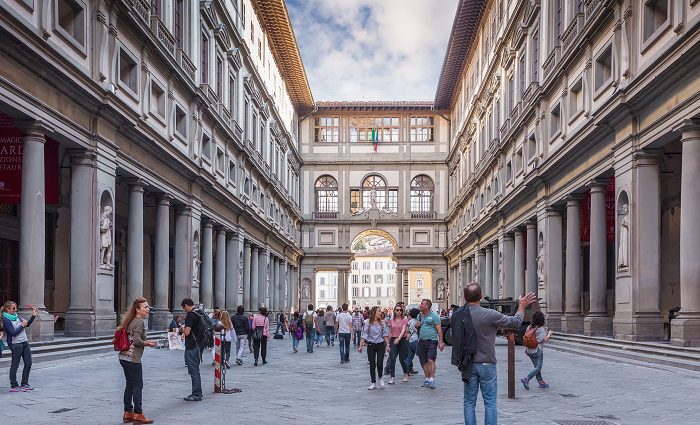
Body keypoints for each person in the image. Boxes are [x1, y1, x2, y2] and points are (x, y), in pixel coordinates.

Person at [461, 283, 537, 425]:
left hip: (468, 364)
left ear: (465, 297)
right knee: (490, 402)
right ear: (481, 296)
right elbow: (514, 323)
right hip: (487, 363)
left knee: (469, 403)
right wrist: (521, 306)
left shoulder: (459, 315)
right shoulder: (489, 314)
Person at [117, 297, 157, 424]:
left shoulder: (130, 320)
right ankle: (138, 414)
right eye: (145, 307)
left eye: (147, 306)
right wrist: (149, 343)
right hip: (132, 358)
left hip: (123, 356)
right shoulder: (139, 322)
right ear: (138, 310)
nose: (147, 309)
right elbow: (136, 341)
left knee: (130, 384)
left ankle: (128, 412)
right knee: (138, 385)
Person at [2, 301, 38, 392]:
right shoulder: (6, 319)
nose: (16, 310)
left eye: (16, 308)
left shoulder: (16, 316)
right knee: (15, 365)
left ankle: (24, 383)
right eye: (14, 308)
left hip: (24, 342)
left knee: (28, 363)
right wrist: (22, 325)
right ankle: (14, 385)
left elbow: (27, 324)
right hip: (15, 344)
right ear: (7, 309)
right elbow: (13, 333)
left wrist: (33, 316)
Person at [358, 306, 389, 390]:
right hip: (371, 345)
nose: (380, 313)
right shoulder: (367, 322)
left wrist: (388, 345)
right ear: (374, 313)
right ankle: (373, 382)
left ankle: (380, 378)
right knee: (372, 364)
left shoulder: (383, 323)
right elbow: (364, 334)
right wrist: (361, 345)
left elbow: (385, 334)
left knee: (379, 363)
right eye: (379, 311)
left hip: (380, 345)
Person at [415, 298, 444, 389]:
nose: (420, 305)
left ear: (427, 306)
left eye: (422, 304)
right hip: (421, 340)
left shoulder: (434, 316)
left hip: (432, 340)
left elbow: (439, 330)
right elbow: (417, 327)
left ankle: (432, 379)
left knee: (431, 360)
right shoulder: (419, 316)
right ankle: (427, 379)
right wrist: (416, 325)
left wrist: (441, 342)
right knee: (423, 361)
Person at [521, 311, 553, 390]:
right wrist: (549, 334)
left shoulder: (529, 327)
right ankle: (527, 379)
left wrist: (525, 348)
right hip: (537, 350)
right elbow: (544, 339)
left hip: (529, 350)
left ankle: (541, 382)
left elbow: (526, 337)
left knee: (536, 367)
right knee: (538, 367)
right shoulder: (540, 329)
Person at [181, 298, 203, 401]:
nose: (184, 310)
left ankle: (196, 394)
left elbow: (187, 332)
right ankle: (198, 392)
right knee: (196, 370)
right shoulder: (198, 313)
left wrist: (182, 328)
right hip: (198, 345)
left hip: (191, 346)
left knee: (193, 371)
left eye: (184, 307)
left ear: (186, 305)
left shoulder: (190, 315)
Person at [386, 304, 409, 384]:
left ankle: (406, 373)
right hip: (393, 340)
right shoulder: (391, 320)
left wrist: (398, 338)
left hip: (402, 340)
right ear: (394, 311)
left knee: (402, 359)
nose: (399, 311)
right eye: (397, 310)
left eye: (400, 310)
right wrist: (388, 344)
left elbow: (403, 330)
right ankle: (392, 377)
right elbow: (390, 332)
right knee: (392, 358)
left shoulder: (404, 320)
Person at [405, 308, 420, 375]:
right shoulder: (416, 322)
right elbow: (418, 331)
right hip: (415, 341)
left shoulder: (409, 321)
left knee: (410, 357)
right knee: (421, 356)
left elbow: (407, 330)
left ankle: (406, 370)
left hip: (410, 341)